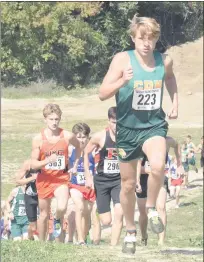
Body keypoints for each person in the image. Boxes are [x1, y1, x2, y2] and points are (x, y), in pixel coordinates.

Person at [99, 15, 178, 254]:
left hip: (153, 126)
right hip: (127, 130)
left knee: (157, 166)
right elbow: (102, 93)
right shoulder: (122, 59)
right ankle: (130, 232)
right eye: (141, 38)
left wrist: (174, 102)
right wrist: (122, 81)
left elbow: (171, 78)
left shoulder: (163, 60)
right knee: (128, 184)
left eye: (152, 38)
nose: (146, 43)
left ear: (156, 40)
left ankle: (151, 208)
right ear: (133, 38)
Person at [31, 103, 81, 241]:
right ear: (45, 120)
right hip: (44, 179)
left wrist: (75, 164)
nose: (54, 122)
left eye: (56, 119)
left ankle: (58, 219)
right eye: (51, 119)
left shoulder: (67, 136)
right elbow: (33, 164)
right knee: (43, 214)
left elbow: (79, 147)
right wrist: (47, 161)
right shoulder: (39, 139)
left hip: (61, 178)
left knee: (62, 206)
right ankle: (42, 244)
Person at [84, 107, 123, 246]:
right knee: (106, 221)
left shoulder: (126, 136)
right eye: (113, 122)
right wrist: (88, 175)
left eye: (119, 122)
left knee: (119, 211)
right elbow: (86, 153)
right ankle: (96, 212)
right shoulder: (100, 137)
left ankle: (113, 247)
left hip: (119, 180)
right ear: (108, 121)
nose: (116, 126)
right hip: (102, 181)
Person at [136, 136, 184, 246]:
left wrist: (179, 164)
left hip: (159, 178)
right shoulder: (142, 140)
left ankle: (161, 241)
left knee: (161, 207)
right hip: (143, 178)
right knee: (144, 211)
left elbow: (177, 145)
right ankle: (144, 236)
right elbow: (137, 165)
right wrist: (147, 172)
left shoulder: (167, 141)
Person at [69, 122, 96, 245]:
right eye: (78, 137)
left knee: (87, 212)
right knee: (79, 207)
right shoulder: (70, 150)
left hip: (89, 186)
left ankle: (84, 236)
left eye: (83, 137)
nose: (81, 140)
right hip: (75, 185)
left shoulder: (93, 150)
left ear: (88, 137)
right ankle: (80, 239)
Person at [15, 159, 39, 240]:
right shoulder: (28, 163)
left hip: (43, 195)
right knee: (33, 227)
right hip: (30, 195)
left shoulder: (47, 162)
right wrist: (32, 178)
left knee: (43, 219)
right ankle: (29, 238)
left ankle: (41, 242)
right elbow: (18, 180)